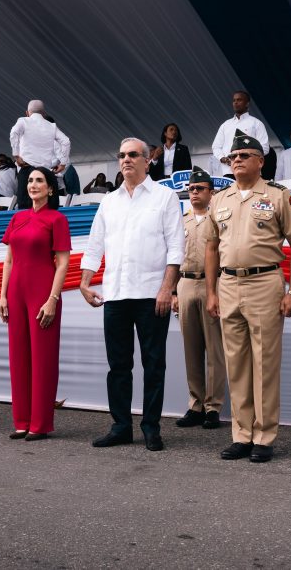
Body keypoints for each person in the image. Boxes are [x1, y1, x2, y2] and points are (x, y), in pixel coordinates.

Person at [205, 129, 291, 463]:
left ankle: (264, 435)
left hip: (265, 283)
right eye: (232, 157)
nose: (236, 161)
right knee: (236, 364)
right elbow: (211, 246)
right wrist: (211, 291)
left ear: (260, 161)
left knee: (264, 363)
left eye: (243, 156)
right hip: (229, 284)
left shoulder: (278, 195)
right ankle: (241, 434)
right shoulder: (219, 199)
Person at [80, 138, 184, 452]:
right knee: (118, 365)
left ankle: (151, 428)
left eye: (133, 155)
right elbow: (95, 245)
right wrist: (85, 281)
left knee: (154, 364)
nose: (126, 160)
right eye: (122, 155)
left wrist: (167, 289)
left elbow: (176, 249)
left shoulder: (165, 197)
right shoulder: (109, 201)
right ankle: (121, 426)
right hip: (115, 294)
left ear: (147, 160)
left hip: (152, 295)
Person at [0, 166, 71, 440]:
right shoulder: (17, 218)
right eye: (30, 180)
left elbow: (63, 263)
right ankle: (22, 420)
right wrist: (2, 295)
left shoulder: (56, 220)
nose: (34, 185)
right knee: (18, 357)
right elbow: (8, 260)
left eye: (40, 180)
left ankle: (40, 423)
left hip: (43, 291)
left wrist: (53, 299)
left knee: (43, 359)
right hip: (16, 291)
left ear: (50, 188)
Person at [171, 166, 226, 430]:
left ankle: (213, 406)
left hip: (211, 284)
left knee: (214, 349)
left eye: (199, 188)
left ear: (211, 192)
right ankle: (195, 404)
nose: (194, 193)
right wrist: (172, 291)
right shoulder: (182, 221)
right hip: (185, 282)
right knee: (191, 349)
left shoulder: (219, 219)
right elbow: (170, 257)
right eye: (191, 189)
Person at [9, 100, 71, 209]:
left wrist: (16, 155)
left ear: (27, 113)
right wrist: (63, 164)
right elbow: (66, 141)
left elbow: (14, 133)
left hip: (27, 170)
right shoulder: (52, 126)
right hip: (45, 173)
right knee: (46, 207)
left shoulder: (23, 121)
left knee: (25, 207)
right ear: (44, 114)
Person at [210, 91, 270, 177]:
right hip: (229, 171)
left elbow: (264, 147)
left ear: (247, 104)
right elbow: (216, 147)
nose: (236, 102)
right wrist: (223, 158)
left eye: (239, 100)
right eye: (234, 100)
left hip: (250, 171)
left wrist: (248, 157)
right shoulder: (225, 125)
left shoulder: (256, 123)